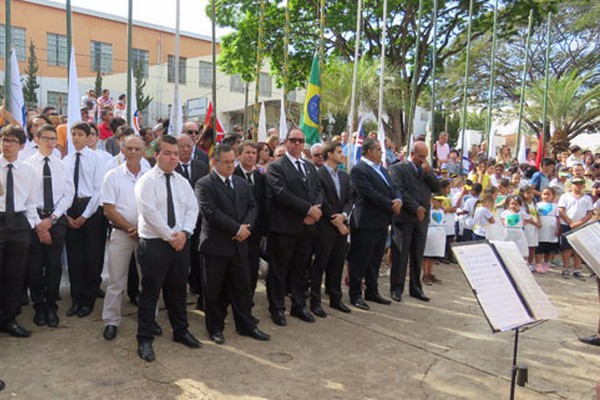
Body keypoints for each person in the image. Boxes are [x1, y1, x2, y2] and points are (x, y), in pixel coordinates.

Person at [134, 135, 201, 362]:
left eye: (175, 153)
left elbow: (193, 208)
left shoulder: (182, 182)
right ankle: (144, 338)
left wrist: (185, 233)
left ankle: (180, 331)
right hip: (154, 244)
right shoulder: (146, 181)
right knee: (150, 293)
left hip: (180, 243)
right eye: (167, 153)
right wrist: (170, 236)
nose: (173, 157)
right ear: (156, 155)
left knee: (178, 291)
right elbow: (149, 213)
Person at [196, 144, 270, 344]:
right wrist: (237, 229)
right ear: (215, 162)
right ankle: (215, 328)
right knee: (214, 291)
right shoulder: (204, 184)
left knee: (242, 288)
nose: (230, 166)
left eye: (232, 162)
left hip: (240, 246)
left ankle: (246, 325)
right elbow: (210, 213)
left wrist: (246, 228)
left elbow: (253, 206)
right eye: (226, 162)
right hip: (215, 247)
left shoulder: (241, 183)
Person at [266, 128, 323, 326]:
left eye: (301, 140)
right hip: (284, 228)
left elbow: (318, 189)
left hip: (307, 229)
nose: (298, 144)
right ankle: (277, 308)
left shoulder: (309, 167)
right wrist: (308, 210)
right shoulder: (277, 166)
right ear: (286, 141)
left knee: (301, 269)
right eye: (294, 140)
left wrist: (316, 209)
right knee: (279, 271)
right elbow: (281, 194)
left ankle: (299, 306)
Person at [100, 136, 150, 341]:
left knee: (147, 281)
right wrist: (130, 227)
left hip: (147, 235)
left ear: (143, 151)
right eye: (129, 148)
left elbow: (156, 206)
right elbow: (108, 210)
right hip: (121, 234)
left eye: (137, 148)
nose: (133, 152)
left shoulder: (150, 176)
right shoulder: (112, 176)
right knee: (116, 280)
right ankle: (111, 321)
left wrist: (141, 228)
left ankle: (149, 320)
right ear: (122, 149)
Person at [24, 125, 74, 329]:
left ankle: (52, 305)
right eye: (46, 138)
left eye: (54, 139)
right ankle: (39, 306)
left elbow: (68, 195)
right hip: (34, 219)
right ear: (36, 139)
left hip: (55, 219)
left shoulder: (62, 165)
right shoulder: (27, 165)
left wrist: (51, 220)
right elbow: (25, 198)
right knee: (35, 267)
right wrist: (39, 225)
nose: (51, 143)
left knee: (54, 267)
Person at [348, 138, 401, 310]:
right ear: (369, 151)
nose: (381, 152)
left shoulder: (382, 170)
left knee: (375, 259)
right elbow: (369, 193)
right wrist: (390, 204)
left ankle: (372, 290)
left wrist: (398, 200)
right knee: (360, 260)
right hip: (365, 221)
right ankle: (355, 294)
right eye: (378, 149)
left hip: (381, 221)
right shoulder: (359, 170)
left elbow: (394, 187)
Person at [0, 125, 39, 338]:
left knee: (14, 276)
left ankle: (9, 319)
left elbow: (31, 202)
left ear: (21, 146)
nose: (7, 144)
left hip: (19, 224)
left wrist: (31, 226)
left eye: (12, 141)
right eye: (4, 140)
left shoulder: (28, 171)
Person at [389, 141, 440, 302]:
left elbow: (437, 188)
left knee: (417, 254)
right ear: (412, 154)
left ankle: (416, 288)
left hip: (422, 220)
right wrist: (415, 208)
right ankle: (397, 288)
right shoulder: (398, 168)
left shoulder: (425, 170)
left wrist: (429, 172)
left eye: (425, 157)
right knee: (401, 255)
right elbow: (399, 190)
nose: (422, 160)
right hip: (404, 218)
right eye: (420, 156)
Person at [63, 122, 105, 318]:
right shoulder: (67, 160)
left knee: (91, 256)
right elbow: (62, 190)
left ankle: (88, 299)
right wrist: (67, 215)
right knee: (74, 257)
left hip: (91, 209)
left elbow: (98, 190)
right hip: (70, 207)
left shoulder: (96, 159)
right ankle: (76, 299)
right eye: (73, 134)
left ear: (89, 137)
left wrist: (84, 216)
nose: (76, 138)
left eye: (80, 134)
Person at [310, 141, 353, 316]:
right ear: (329, 154)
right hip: (325, 227)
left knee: (337, 264)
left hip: (341, 226)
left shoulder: (344, 176)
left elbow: (350, 198)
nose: (342, 155)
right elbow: (321, 200)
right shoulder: (318, 174)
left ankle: (336, 299)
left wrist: (344, 215)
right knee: (320, 264)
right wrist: (335, 220)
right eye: (339, 152)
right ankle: (315, 301)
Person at [174, 135, 209, 310]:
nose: (186, 149)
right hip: (177, 225)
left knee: (197, 259)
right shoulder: (171, 169)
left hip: (199, 223)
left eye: (189, 146)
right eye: (182, 146)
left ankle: (197, 289)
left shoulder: (202, 168)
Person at [233, 141, 268, 299]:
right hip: (237, 233)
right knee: (237, 273)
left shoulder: (260, 177)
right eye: (247, 152)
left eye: (254, 153)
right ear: (239, 155)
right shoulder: (232, 175)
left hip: (255, 235)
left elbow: (262, 205)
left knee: (252, 270)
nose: (251, 156)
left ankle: (248, 302)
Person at [558, 176, 593, 280]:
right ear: (571, 185)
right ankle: (566, 268)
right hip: (567, 224)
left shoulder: (587, 198)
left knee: (578, 249)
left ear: (583, 185)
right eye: (575, 183)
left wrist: (580, 223)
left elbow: (589, 213)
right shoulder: (565, 196)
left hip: (581, 225)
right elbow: (561, 211)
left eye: (580, 183)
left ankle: (577, 269)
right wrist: (570, 222)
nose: (578, 185)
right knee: (566, 248)